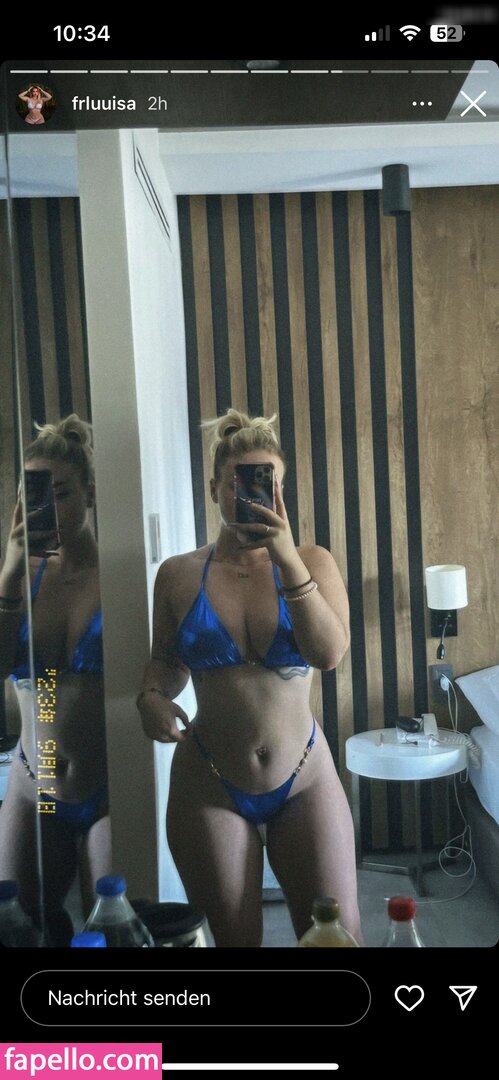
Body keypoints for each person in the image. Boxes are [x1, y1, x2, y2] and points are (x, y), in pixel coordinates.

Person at [138, 408, 362, 947]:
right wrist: (150, 696)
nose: (253, 495)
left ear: (281, 489)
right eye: (238, 482)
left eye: (268, 482)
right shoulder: (177, 574)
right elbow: (166, 662)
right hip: (208, 782)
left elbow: (329, 654)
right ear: (215, 488)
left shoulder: (313, 561)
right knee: (236, 943)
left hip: (304, 778)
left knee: (337, 937)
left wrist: (286, 560)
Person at [0, 415, 110, 945]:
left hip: (108, 789)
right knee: (20, 929)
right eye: (35, 494)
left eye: (61, 493)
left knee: (110, 930)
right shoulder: (17, 581)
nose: (47, 508)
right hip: (33, 786)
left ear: (90, 493)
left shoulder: (119, 578)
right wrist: (10, 573)